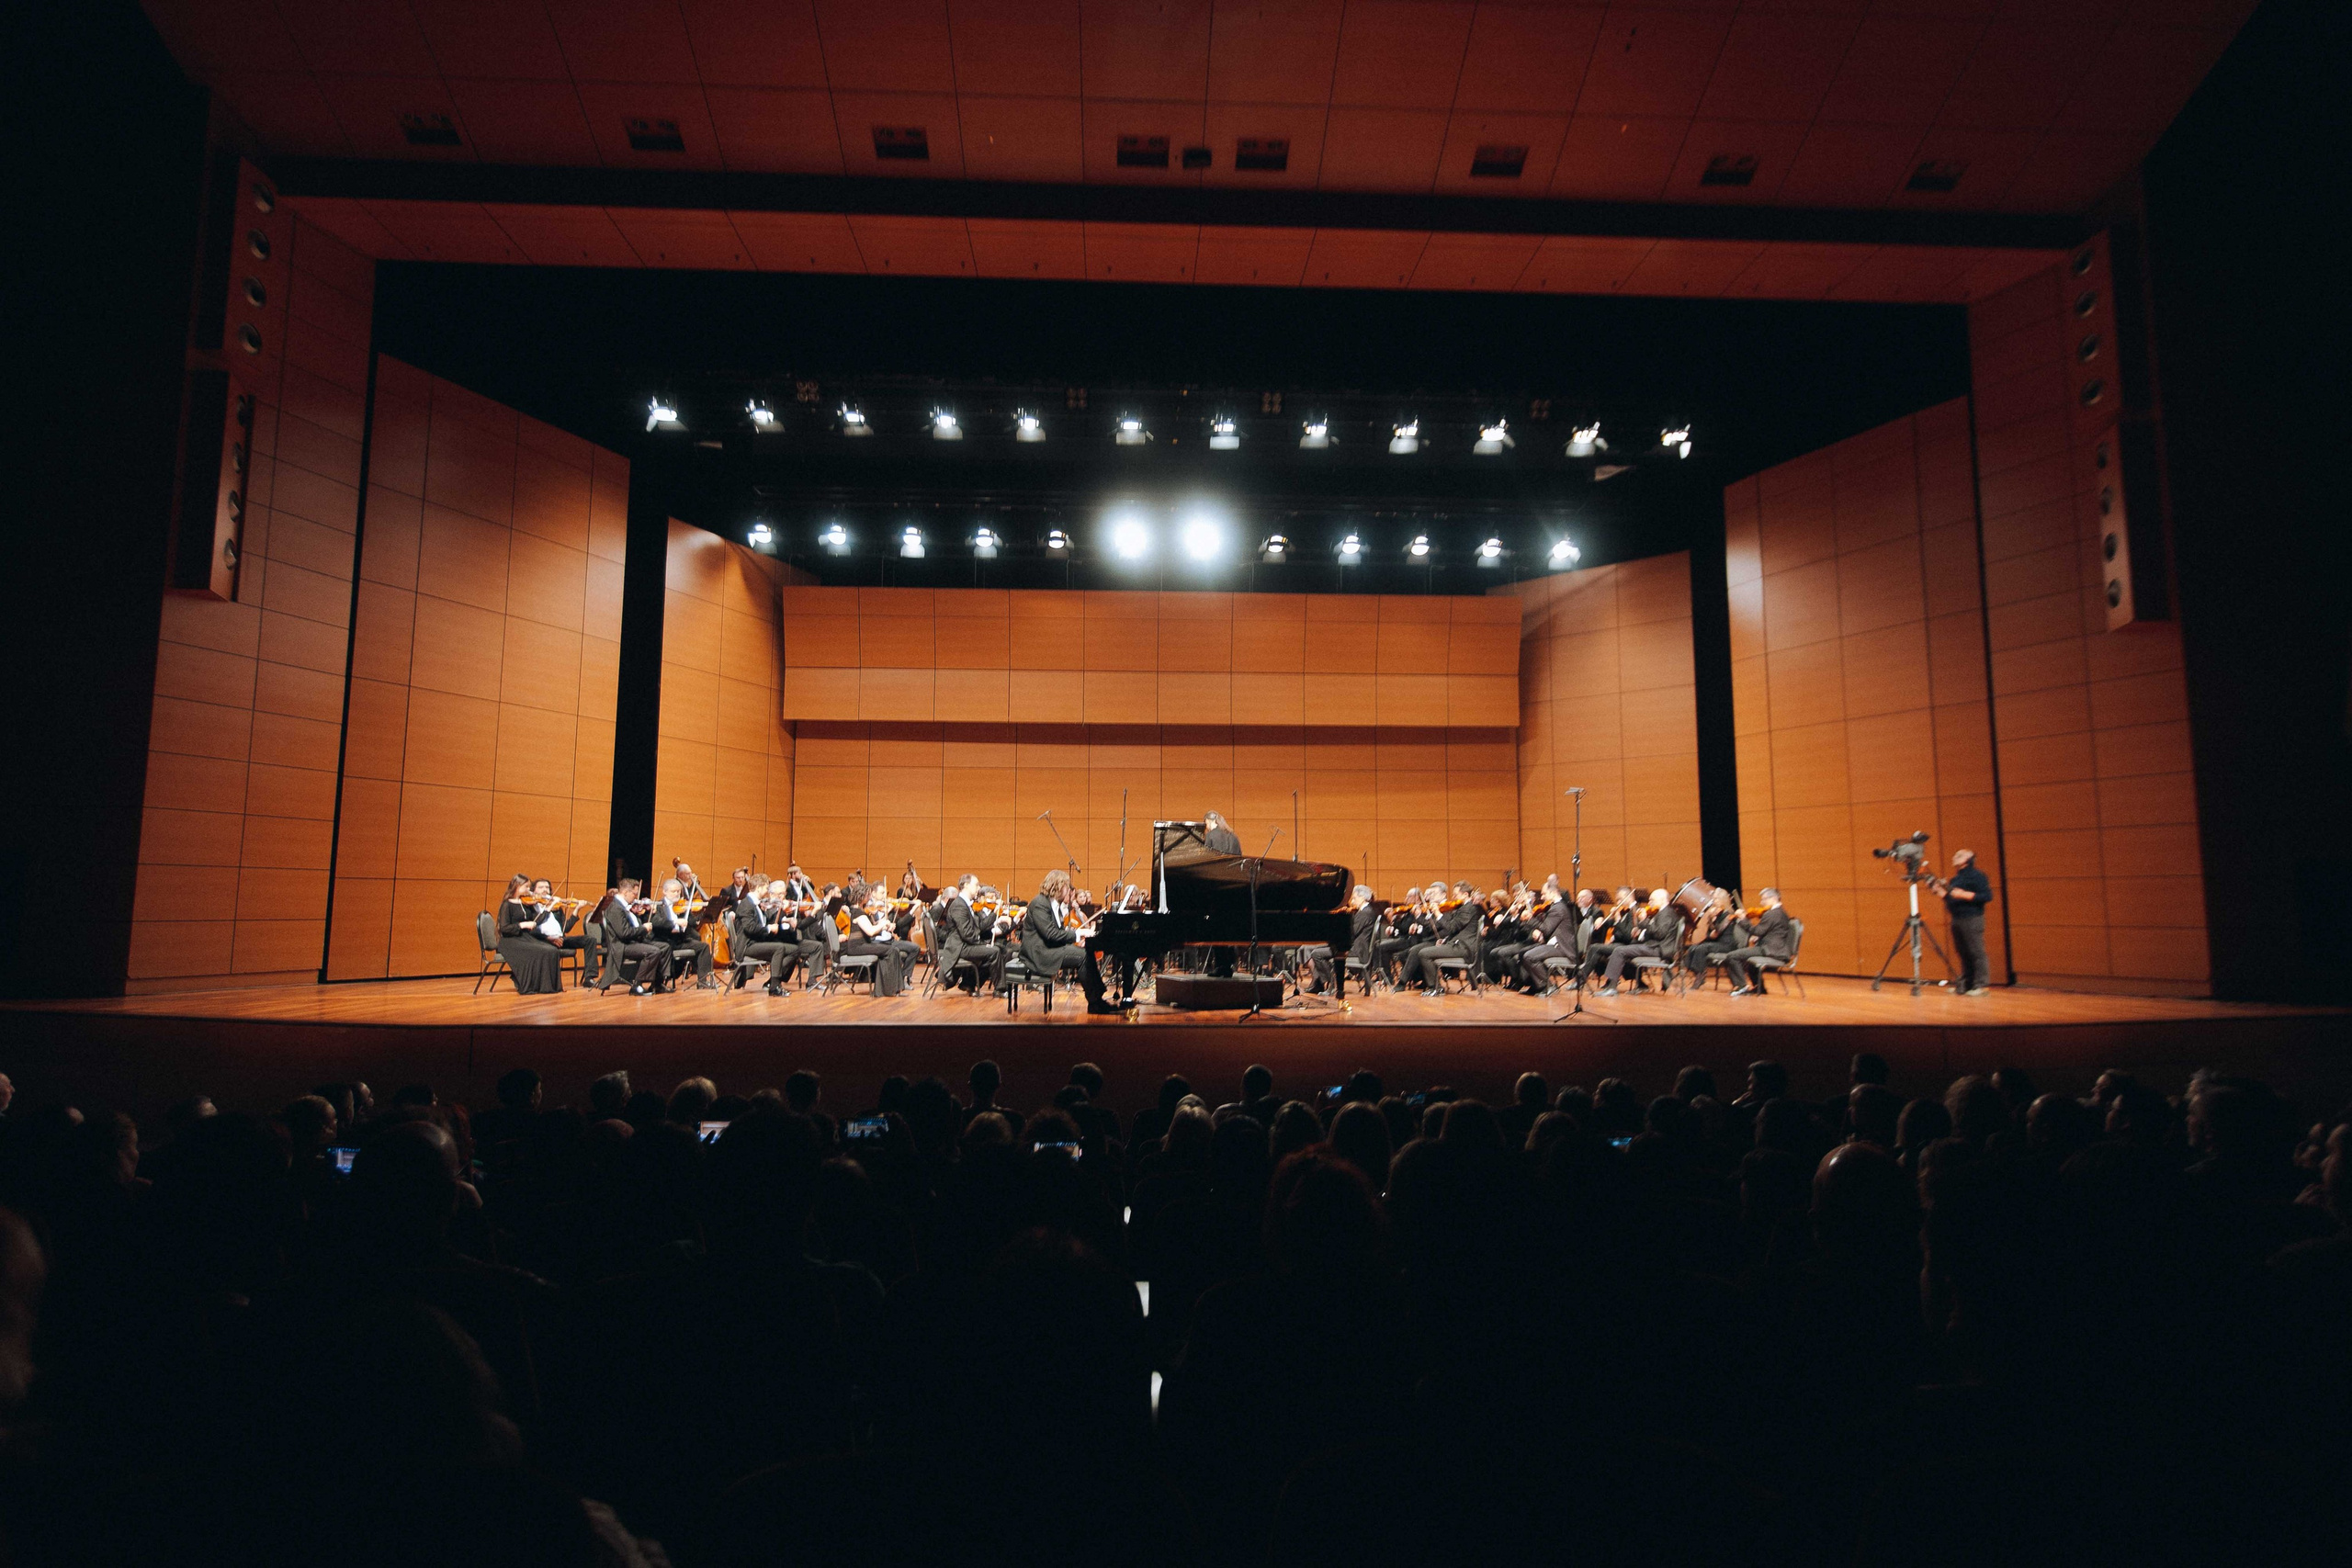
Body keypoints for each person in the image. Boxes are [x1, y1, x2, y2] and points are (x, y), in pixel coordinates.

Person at [1020, 870, 1107, 1009]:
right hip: (1039, 953)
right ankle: (1095, 1002)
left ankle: (1098, 998)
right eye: (1067, 886)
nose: (1069, 891)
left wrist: (1078, 938)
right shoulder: (1040, 903)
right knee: (1083, 956)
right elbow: (1050, 934)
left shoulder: (1053, 904)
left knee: (1087, 950)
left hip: (1049, 948)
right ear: (1058, 886)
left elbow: (1058, 933)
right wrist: (1078, 933)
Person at [1591, 890, 1679, 997]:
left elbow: (1659, 934)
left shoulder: (1667, 914)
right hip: (1655, 946)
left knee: (1619, 951)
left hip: (1659, 949)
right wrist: (1640, 932)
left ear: (1662, 900)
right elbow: (1656, 932)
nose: (1649, 903)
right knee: (1622, 950)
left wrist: (1644, 920)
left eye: (1652, 900)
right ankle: (1628, 984)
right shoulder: (1663, 912)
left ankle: (1612, 987)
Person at [492, 874, 567, 995]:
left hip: (526, 938)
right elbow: (505, 928)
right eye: (526, 887)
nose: (529, 890)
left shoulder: (526, 903)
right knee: (543, 951)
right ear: (517, 886)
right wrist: (522, 925)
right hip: (510, 941)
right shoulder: (507, 904)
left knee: (552, 950)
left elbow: (537, 920)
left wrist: (549, 908)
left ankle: (548, 987)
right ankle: (531, 985)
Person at [595, 879, 671, 994]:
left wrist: (643, 915)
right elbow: (624, 933)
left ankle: (657, 984)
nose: (636, 898)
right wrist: (643, 929)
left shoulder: (625, 906)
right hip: (622, 945)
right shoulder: (615, 908)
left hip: (633, 941)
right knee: (653, 952)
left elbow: (632, 925)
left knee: (665, 947)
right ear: (626, 892)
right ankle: (637, 985)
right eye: (634, 894)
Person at [1937, 849, 1995, 996]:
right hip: (1957, 918)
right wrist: (1941, 893)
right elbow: (1952, 899)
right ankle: (1967, 985)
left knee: (1976, 952)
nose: (1954, 857)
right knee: (1963, 952)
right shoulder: (1956, 879)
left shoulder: (1977, 875)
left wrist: (1964, 894)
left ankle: (1981, 986)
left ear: (1968, 859)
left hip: (1972, 918)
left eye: (1959, 855)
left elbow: (1987, 896)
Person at [843, 889, 922, 997]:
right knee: (891, 950)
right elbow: (871, 932)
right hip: (857, 946)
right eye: (868, 895)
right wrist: (883, 923)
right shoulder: (858, 913)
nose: (869, 897)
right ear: (861, 896)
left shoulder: (862, 911)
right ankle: (888, 990)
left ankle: (894, 989)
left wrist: (884, 926)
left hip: (864, 944)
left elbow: (872, 928)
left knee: (894, 950)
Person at [936, 875, 1006, 994]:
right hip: (959, 947)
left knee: (999, 949)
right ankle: (1000, 990)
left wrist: (995, 913)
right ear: (966, 885)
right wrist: (983, 943)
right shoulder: (959, 905)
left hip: (965, 944)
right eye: (976, 885)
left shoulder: (966, 903)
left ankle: (968, 984)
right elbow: (967, 934)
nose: (979, 888)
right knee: (994, 951)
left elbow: (980, 926)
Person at [1718, 887, 1794, 995]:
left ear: (1773, 898)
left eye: (1764, 899)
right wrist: (1758, 938)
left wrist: (1742, 919)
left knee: (1732, 956)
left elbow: (1757, 931)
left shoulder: (1772, 914)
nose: (1761, 902)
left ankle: (1742, 986)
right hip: (1775, 948)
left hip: (1771, 949)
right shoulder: (1781, 912)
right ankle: (1760, 988)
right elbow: (1774, 932)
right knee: (1748, 961)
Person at [730, 881, 797, 997]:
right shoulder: (746, 904)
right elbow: (749, 928)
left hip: (756, 942)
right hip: (748, 945)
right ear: (758, 887)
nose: (767, 891)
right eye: (766, 888)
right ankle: (775, 987)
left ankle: (773, 980)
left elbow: (762, 922)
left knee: (794, 950)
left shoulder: (756, 904)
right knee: (779, 948)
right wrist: (769, 928)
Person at [652, 878, 718, 989]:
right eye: (673, 891)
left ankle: (702, 982)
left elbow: (692, 923)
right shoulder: (658, 906)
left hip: (680, 939)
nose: (677, 894)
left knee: (703, 947)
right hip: (665, 940)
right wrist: (675, 922)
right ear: (665, 892)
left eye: (678, 891)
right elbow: (656, 922)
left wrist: (699, 914)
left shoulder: (681, 906)